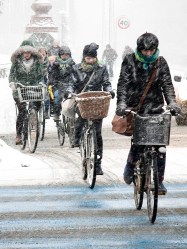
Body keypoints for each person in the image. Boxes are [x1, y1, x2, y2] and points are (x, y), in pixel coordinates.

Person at [115, 32, 181, 194]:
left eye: (151, 50)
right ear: (139, 49)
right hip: (136, 107)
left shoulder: (160, 62)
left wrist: (172, 103)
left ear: (155, 49)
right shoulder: (130, 61)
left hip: (156, 106)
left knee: (159, 146)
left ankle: (158, 181)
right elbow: (123, 84)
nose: (148, 54)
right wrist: (122, 103)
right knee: (139, 142)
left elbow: (167, 84)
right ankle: (130, 167)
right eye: (145, 51)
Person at [68, 42, 115, 175]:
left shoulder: (102, 68)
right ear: (84, 57)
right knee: (81, 119)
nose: (91, 60)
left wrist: (109, 91)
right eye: (88, 58)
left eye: (93, 58)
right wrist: (69, 92)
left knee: (98, 134)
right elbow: (71, 83)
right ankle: (76, 139)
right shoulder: (76, 68)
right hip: (81, 100)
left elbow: (106, 83)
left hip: (97, 102)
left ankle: (98, 164)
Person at [9, 40, 44, 145]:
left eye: (29, 52)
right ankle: (19, 135)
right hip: (20, 89)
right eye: (25, 52)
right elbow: (12, 74)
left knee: (35, 106)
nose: (27, 54)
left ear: (32, 52)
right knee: (22, 111)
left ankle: (33, 125)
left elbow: (40, 75)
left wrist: (41, 82)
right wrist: (12, 83)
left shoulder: (37, 62)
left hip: (33, 89)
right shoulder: (17, 62)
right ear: (21, 52)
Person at [48, 45, 75, 121]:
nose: (65, 56)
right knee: (57, 98)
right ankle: (57, 114)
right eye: (63, 55)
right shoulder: (56, 65)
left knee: (73, 100)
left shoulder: (73, 64)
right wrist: (53, 82)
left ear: (69, 55)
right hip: (58, 85)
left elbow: (75, 75)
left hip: (70, 85)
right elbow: (52, 75)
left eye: (66, 55)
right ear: (60, 55)